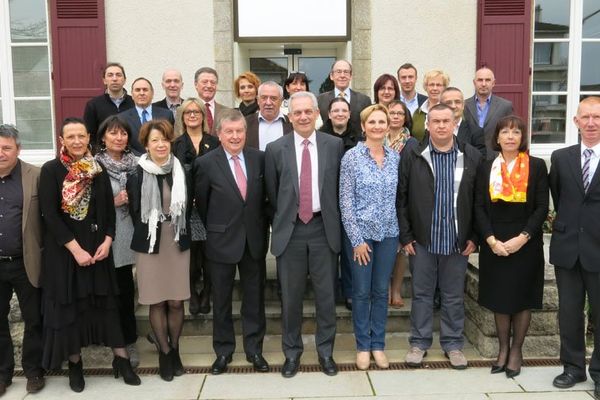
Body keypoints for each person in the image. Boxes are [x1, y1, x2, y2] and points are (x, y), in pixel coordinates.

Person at [39, 118, 140, 392]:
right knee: (72, 310)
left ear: (88, 138)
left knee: (108, 307)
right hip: (66, 254)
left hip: (98, 251)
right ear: (62, 140)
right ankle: (75, 366)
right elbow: (50, 216)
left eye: (80, 136)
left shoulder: (98, 170)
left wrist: (108, 241)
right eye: (70, 136)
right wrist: (75, 249)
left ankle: (121, 360)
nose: (76, 141)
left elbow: (108, 212)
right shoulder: (51, 171)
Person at [265, 91, 344, 378]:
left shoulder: (334, 145)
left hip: (324, 229)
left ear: (316, 113)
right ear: (289, 116)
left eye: (307, 112)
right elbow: (273, 194)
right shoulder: (275, 149)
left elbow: (338, 188)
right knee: (291, 299)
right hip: (292, 230)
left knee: (326, 298)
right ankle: (292, 354)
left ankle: (326, 353)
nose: (302, 117)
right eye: (297, 112)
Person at [398, 104, 481, 370]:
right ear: (429, 125)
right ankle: (419, 343)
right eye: (436, 121)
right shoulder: (414, 154)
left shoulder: (470, 155)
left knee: (453, 295)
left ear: (455, 123)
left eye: (447, 121)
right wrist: (406, 235)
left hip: (457, 241)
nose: (442, 126)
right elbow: (402, 198)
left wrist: (474, 236)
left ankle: (453, 345)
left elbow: (478, 201)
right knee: (421, 295)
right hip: (423, 240)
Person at [195, 109, 269, 375]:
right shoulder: (205, 163)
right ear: (220, 134)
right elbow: (201, 205)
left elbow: (264, 200)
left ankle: (254, 350)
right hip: (220, 242)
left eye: (240, 131)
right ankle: (224, 351)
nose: (235, 136)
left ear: (245, 133)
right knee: (222, 301)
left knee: (254, 299)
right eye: (230, 131)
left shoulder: (260, 159)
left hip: (253, 241)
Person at [474, 115, 548, 378]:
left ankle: (517, 350)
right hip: (495, 241)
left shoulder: (537, 166)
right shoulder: (486, 167)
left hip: (525, 242)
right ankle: (503, 350)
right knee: (500, 298)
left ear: (522, 137)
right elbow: (479, 207)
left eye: (515, 132)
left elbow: (541, 207)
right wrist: (491, 240)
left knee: (522, 298)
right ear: (497, 137)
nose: (509, 136)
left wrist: (523, 237)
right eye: (504, 132)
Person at [127, 119, 190, 382]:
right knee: (157, 301)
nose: (160, 144)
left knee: (175, 301)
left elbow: (189, 206)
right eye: (155, 140)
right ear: (146, 144)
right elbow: (134, 212)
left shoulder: (181, 171)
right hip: (150, 243)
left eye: (165, 139)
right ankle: (163, 352)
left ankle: (175, 349)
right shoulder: (137, 174)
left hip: (176, 240)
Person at [339, 104, 400, 370]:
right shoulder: (351, 158)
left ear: (388, 126)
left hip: (388, 234)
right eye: (372, 122)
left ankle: (379, 345)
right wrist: (356, 239)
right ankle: (363, 346)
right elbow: (345, 201)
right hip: (361, 237)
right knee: (362, 293)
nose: (377, 126)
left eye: (382, 122)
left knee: (380, 291)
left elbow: (400, 198)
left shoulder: (395, 158)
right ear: (363, 126)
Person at [549, 96, 600, 399]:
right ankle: (573, 367)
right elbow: (560, 195)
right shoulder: (560, 157)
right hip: (567, 247)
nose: (592, 123)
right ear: (576, 122)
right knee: (568, 312)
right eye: (586, 117)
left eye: (597, 117)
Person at [0, 125, 45, 396]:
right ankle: (3, 373)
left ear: (18, 149)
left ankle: (33, 370)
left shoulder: (35, 176)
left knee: (34, 319)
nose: (1, 153)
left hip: (25, 261)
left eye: (6, 148)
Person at [94, 116, 140, 367]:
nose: (119, 137)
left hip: (133, 234)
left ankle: (129, 341)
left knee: (126, 293)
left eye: (123, 133)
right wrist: (113, 202)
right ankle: (114, 342)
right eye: (113, 133)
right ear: (103, 137)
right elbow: (84, 207)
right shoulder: (93, 166)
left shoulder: (137, 164)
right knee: (112, 294)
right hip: (107, 238)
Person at [172, 98, 219, 315]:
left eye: (197, 112)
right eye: (188, 112)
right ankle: (191, 292)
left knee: (209, 255)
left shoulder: (215, 142)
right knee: (189, 256)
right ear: (182, 117)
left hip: (211, 207)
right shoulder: (175, 145)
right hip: (186, 210)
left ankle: (208, 293)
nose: (192, 115)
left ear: (203, 115)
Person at [320, 97, 361, 310]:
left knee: (348, 249)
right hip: (326, 198)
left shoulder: (359, 138)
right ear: (328, 114)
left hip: (351, 201)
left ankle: (349, 291)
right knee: (327, 250)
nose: (339, 114)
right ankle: (330, 292)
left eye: (343, 110)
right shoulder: (320, 137)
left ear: (349, 114)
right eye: (335, 110)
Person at [386, 100, 417, 309]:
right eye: (392, 113)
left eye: (400, 113)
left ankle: (396, 290)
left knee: (400, 249)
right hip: (381, 199)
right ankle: (384, 289)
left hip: (402, 198)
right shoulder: (377, 136)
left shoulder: (412, 143)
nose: (396, 116)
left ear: (406, 117)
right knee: (384, 247)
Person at [464, 67, 514, 158]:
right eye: (480, 80)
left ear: (493, 83)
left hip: (496, 156)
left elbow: (510, 132)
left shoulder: (505, 106)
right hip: (470, 157)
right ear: (474, 83)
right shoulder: (464, 105)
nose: (483, 84)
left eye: (487, 80)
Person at [118, 77, 175, 154]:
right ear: (132, 94)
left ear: (152, 93)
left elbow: (171, 140)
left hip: (161, 159)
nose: (141, 93)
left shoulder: (167, 115)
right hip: (135, 161)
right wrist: (143, 159)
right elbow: (124, 143)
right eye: (137, 90)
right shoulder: (122, 118)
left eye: (145, 90)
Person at [83, 62, 134, 145]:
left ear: (124, 80)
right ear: (104, 80)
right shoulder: (93, 105)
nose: (114, 79)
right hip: (102, 154)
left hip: (132, 155)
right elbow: (89, 135)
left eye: (118, 75)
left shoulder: (134, 103)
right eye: (110, 75)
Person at [317, 60, 372, 129]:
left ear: (351, 76)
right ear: (331, 76)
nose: (342, 75)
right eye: (338, 72)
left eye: (346, 72)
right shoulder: (320, 100)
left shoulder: (364, 100)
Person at [245, 82, 293, 150]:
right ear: (258, 100)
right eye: (264, 98)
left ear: (281, 101)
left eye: (273, 98)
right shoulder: (245, 123)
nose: (268, 103)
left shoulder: (292, 124)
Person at [441, 87, 486, 157]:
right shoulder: (432, 131)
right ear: (441, 106)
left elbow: (480, 160)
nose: (453, 106)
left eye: (457, 102)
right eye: (448, 102)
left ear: (463, 105)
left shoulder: (476, 132)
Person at [411, 69, 450, 142]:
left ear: (444, 88)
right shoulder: (418, 113)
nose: (434, 88)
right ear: (426, 87)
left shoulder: (450, 111)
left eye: (438, 85)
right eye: (431, 85)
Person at [194, 67, 230, 135]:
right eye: (205, 82)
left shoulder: (227, 112)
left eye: (213, 82)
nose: (209, 85)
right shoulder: (185, 110)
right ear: (196, 84)